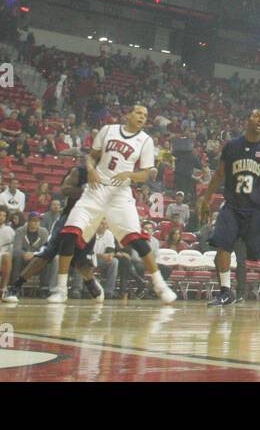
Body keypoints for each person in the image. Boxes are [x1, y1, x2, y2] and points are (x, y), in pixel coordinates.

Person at [47, 104, 175, 304]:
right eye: (139, 113)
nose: (142, 117)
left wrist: (130, 174)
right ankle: (61, 289)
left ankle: (160, 285)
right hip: (96, 190)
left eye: (145, 115)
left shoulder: (146, 141)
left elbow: (144, 174)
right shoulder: (108, 130)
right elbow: (91, 156)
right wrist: (90, 169)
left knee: (137, 240)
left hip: (120, 193)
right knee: (69, 235)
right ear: (128, 114)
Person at [198, 108, 260, 306]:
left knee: (257, 252)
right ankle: (226, 292)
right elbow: (219, 174)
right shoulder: (232, 146)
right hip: (232, 205)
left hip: (255, 207)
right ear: (247, 120)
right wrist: (206, 199)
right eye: (256, 115)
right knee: (222, 245)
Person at [3, 161, 102, 301]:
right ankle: (15, 287)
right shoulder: (79, 171)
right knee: (46, 253)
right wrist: (86, 191)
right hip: (69, 217)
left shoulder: (111, 177)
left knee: (82, 261)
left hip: (90, 221)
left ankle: (91, 283)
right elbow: (64, 189)